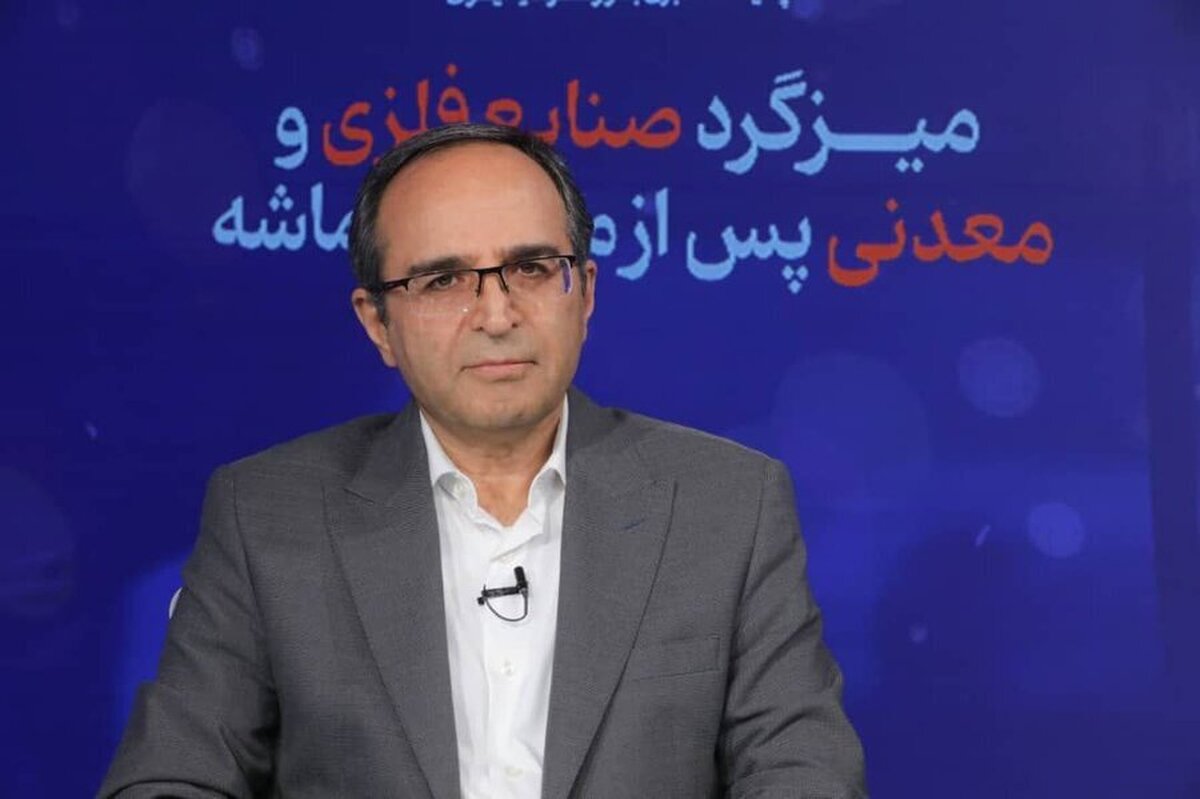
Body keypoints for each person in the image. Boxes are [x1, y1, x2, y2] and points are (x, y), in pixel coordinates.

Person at [100, 123, 866, 798]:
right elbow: (172, 778)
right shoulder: (267, 515)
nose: (497, 315)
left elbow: (803, 773)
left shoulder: (727, 505)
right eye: (443, 280)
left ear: (584, 292)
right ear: (378, 323)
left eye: (531, 268)